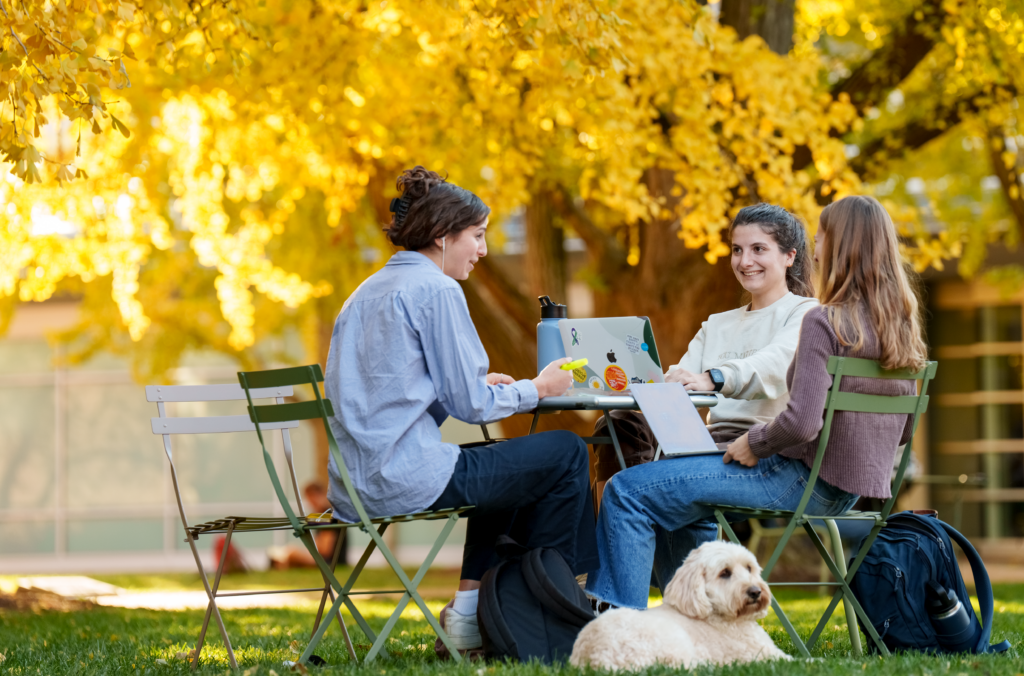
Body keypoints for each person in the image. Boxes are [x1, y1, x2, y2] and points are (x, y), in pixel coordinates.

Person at [585, 195, 928, 610]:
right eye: (738, 249)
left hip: (791, 473)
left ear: (833, 247)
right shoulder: (901, 329)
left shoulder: (818, 318)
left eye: (821, 238)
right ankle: (696, 623)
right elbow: (905, 429)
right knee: (670, 494)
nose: (817, 247)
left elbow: (799, 423)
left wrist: (755, 442)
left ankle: (619, 628)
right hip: (849, 488)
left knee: (625, 490)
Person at [323, 166, 598, 654]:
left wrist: (470, 385)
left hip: (357, 482)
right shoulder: (436, 290)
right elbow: (471, 407)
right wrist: (538, 387)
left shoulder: (362, 294)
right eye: (477, 235)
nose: (484, 250)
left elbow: (385, 392)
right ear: (441, 236)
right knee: (567, 452)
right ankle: (551, 605)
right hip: (405, 477)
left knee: (513, 467)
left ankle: (472, 616)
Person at [592, 204, 818, 497]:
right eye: (737, 250)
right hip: (702, 440)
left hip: (755, 446)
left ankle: (634, 502)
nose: (745, 261)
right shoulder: (717, 324)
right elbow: (682, 381)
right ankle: (615, 521)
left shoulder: (806, 313)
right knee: (617, 423)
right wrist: (643, 390)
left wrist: (713, 378)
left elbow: (774, 366)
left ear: (789, 256)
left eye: (758, 249)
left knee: (638, 483)